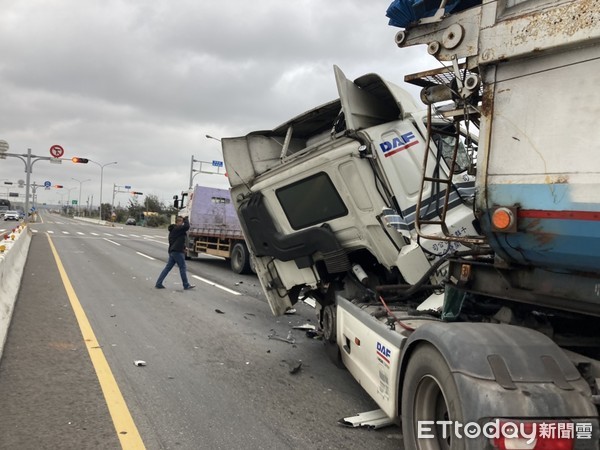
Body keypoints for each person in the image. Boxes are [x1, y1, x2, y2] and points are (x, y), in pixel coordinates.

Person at [155, 216, 195, 290]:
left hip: (173, 251)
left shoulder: (174, 230)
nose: (182, 223)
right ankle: (186, 285)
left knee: (167, 268)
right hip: (177, 252)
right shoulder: (177, 229)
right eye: (181, 221)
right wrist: (186, 219)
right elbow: (187, 226)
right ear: (177, 222)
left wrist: (183, 247)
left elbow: (178, 240)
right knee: (182, 267)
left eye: (182, 221)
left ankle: (158, 283)